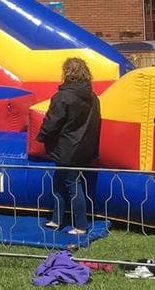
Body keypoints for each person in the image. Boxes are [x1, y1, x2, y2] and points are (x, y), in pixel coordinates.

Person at [37, 57, 102, 236]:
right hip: (84, 146)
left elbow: (52, 121)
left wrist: (42, 136)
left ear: (66, 73)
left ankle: (81, 225)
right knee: (59, 181)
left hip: (66, 147)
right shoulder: (93, 98)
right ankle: (56, 219)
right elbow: (96, 123)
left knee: (72, 184)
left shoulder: (63, 97)